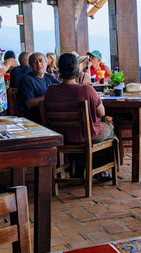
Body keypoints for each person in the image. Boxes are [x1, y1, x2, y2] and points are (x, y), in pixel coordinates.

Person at [44, 53, 116, 181]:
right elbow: (102, 112)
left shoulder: (50, 90)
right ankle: (99, 169)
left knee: (78, 132)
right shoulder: (87, 90)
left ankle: (78, 168)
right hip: (84, 135)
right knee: (109, 129)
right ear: (77, 69)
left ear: (59, 69)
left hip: (60, 135)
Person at [18, 52, 60, 121]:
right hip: (36, 118)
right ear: (30, 65)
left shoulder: (49, 77)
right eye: (35, 62)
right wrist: (50, 95)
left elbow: (62, 88)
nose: (38, 64)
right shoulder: (27, 79)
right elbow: (29, 103)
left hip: (51, 114)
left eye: (41, 61)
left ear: (46, 63)